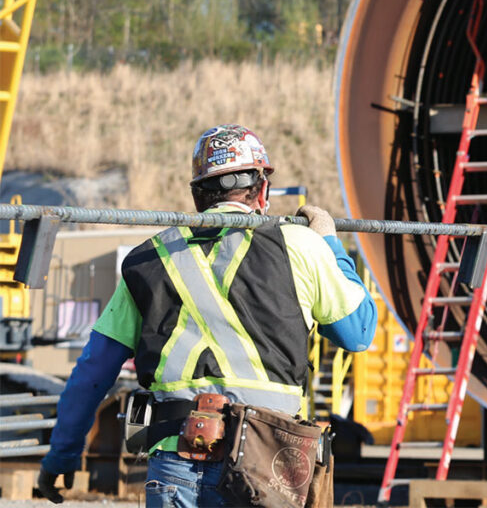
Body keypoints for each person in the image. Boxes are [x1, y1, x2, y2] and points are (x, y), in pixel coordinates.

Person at [37, 124, 378, 506]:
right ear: (262, 189)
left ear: (198, 196)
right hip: (267, 464)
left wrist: (61, 456)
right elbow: (359, 332)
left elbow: (92, 374)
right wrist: (330, 242)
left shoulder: (148, 260)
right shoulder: (300, 245)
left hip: (175, 463)